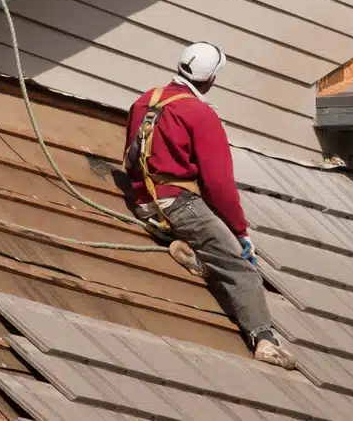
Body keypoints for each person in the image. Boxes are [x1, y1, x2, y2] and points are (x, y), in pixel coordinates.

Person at [124, 42, 297, 368]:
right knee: (240, 267)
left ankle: (196, 255)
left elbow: (130, 158)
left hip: (145, 204)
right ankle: (264, 340)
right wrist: (241, 233)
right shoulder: (201, 115)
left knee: (208, 237)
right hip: (181, 207)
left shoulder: (145, 100)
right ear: (212, 78)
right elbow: (220, 186)